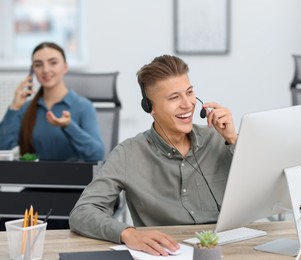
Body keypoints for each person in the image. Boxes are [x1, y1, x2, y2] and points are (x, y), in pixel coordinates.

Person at [69, 55, 238, 256]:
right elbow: (82, 213)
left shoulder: (219, 137)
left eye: (189, 92)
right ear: (150, 108)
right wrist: (127, 233)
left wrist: (234, 141)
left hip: (228, 249)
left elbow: (262, 193)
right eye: (174, 97)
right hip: (167, 253)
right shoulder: (129, 153)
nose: (188, 104)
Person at [0, 42, 104, 161]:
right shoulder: (25, 108)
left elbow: (97, 155)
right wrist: (14, 108)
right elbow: (3, 148)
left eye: (53, 63)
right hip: (33, 178)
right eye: (38, 65)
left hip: (72, 177)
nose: (45, 69)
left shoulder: (83, 106)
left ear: (65, 67)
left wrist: (68, 126)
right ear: (33, 70)